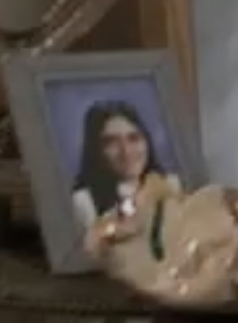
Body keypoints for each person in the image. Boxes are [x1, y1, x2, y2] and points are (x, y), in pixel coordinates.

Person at [64, 97, 169, 236]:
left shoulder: (169, 185)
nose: (126, 151)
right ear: (96, 150)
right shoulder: (84, 202)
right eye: (111, 142)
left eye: (133, 138)